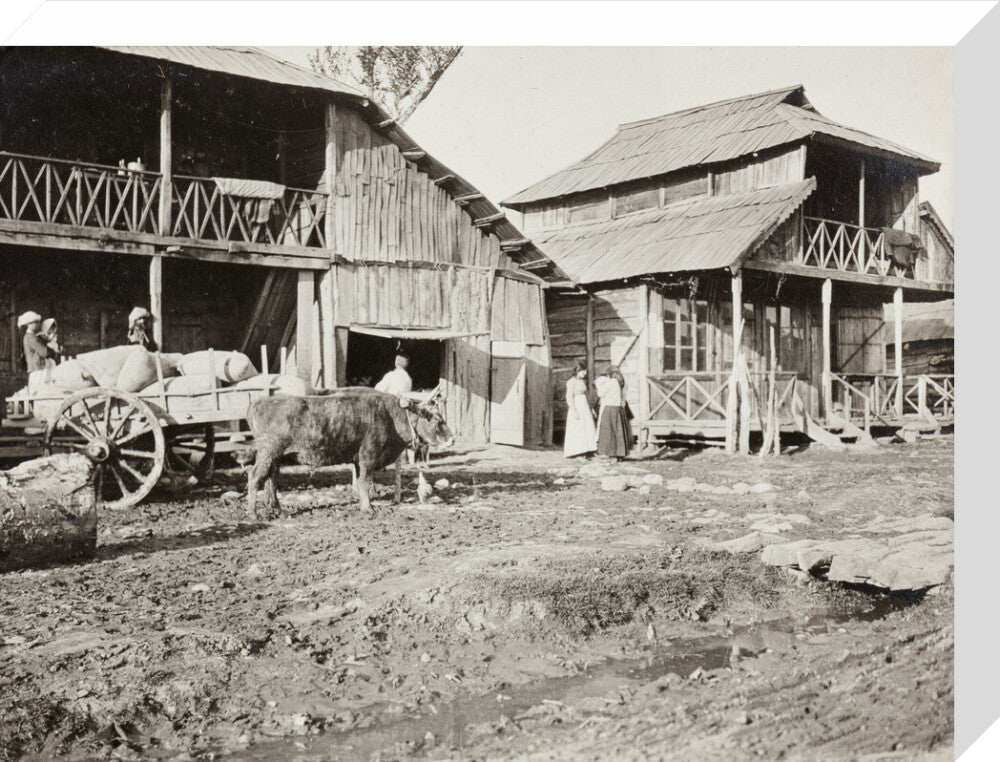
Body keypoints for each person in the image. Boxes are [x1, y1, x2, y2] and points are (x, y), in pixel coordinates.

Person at [595, 364, 631, 460]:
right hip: (619, 408)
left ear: (610, 374)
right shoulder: (621, 382)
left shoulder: (610, 382)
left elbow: (600, 394)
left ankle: (612, 454)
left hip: (610, 408)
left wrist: (599, 385)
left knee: (609, 431)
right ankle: (620, 454)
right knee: (618, 431)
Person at [563, 360, 597, 458]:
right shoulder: (571, 382)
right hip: (577, 406)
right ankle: (579, 452)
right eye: (583, 371)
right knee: (579, 428)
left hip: (584, 406)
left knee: (588, 427)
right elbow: (569, 397)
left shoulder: (582, 381)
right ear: (578, 370)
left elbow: (587, 395)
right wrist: (574, 410)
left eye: (585, 371)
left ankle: (589, 450)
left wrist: (591, 408)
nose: (585, 373)